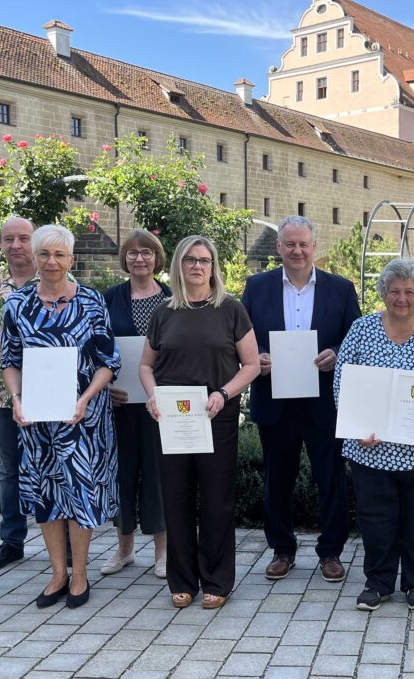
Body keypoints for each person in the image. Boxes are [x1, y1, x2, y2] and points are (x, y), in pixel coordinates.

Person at [334, 258, 414, 612]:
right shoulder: (362, 329)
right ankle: (378, 583)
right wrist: (357, 427)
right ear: (384, 293)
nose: (402, 298)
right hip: (370, 447)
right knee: (376, 520)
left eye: (409, 291)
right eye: (395, 291)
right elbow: (342, 380)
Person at [1, 224, 120, 610]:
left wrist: (85, 399)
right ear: (34, 258)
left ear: (71, 259)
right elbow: (9, 360)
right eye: (44, 254)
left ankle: (80, 574)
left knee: (80, 492)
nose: (51, 261)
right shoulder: (18, 304)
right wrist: (17, 399)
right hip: (37, 421)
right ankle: (57, 574)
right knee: (46, 493)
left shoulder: (91, 301)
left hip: (83, 418)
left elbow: (108, 362)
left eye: (59, 255)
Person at [141, 235, 260, 609]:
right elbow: (145, 366)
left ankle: (217, 580)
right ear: (179, 265)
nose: (197, 266)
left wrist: (224, 393)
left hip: (215, 415)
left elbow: (251, 365)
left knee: (216, 499)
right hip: (171, 418)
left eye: (204, 260)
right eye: (190, 259)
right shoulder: (164, 313)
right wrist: (152, 395)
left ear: (213, 267)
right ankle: (181, 580)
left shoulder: (231, 309)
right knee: (175, 497)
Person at [242, 216, 361, 583]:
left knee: (331, 479)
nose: (297, 251)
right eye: (290, 244)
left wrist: (337, 353)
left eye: (303, 244)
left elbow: (356, 337)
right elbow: (242, 336)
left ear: (314, 247)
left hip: (324, 400)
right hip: (274, 398)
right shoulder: (256, 287)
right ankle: (282, 550)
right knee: (278, 480)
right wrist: (257, 357)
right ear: (278, 247)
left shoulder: (341, 289)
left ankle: (331, 552)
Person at [102, 230, 171, 579]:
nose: (139, 258)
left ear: (157, 258)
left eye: (146, 252)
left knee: (159, 477)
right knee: (122, 475)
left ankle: (163, 552)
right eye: (132, 252)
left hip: (162, 405)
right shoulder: (109, 298)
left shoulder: (173, 298)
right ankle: (124, 550)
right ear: (124, 258)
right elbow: (95, 347)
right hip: (120, 403)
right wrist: (104, 386)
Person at [0, 217, 36, 572]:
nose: (16, 245)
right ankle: (12, 541)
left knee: (56, 467)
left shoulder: (60, 279)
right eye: (8, 238)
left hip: (53, 391)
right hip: (4, 393)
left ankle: (63, 541)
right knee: (9, 470)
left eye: (23, 238)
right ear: (0, 243)